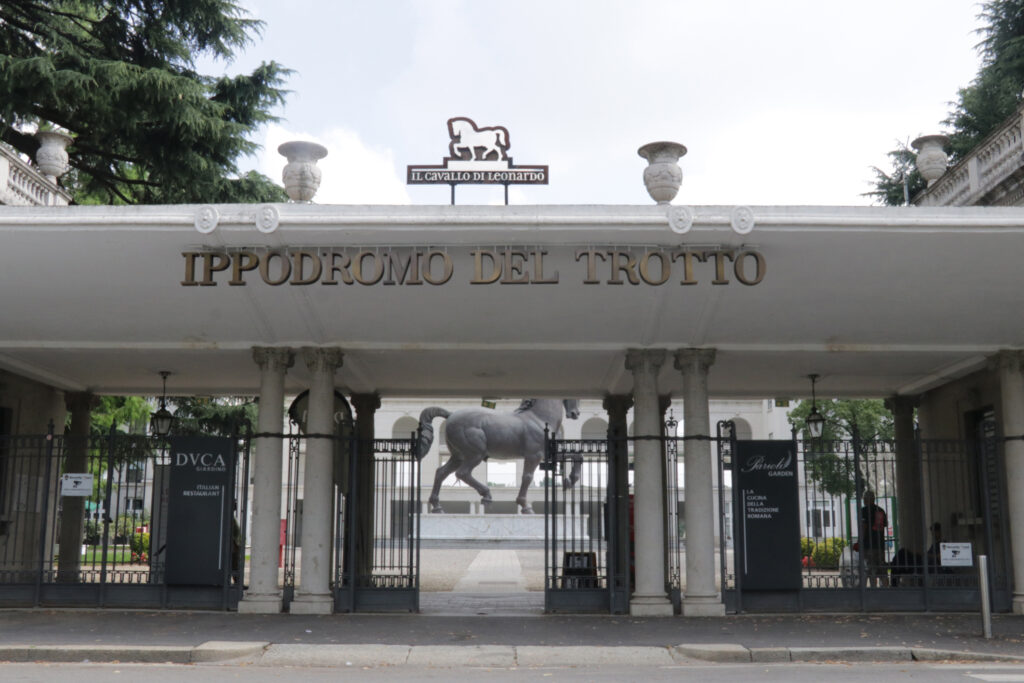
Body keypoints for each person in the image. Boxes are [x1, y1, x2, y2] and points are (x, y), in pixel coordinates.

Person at [859, 490, 889, 586]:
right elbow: (884, 524)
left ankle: (873, 589)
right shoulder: (880, 510)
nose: (863, 500)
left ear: (866, 499)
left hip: (869, 545)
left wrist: (861, 541)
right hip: (880, 545)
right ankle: (886, 589)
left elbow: (863, 526)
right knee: (882, 569)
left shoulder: (863, 511)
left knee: (871, 569)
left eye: (864, 498)